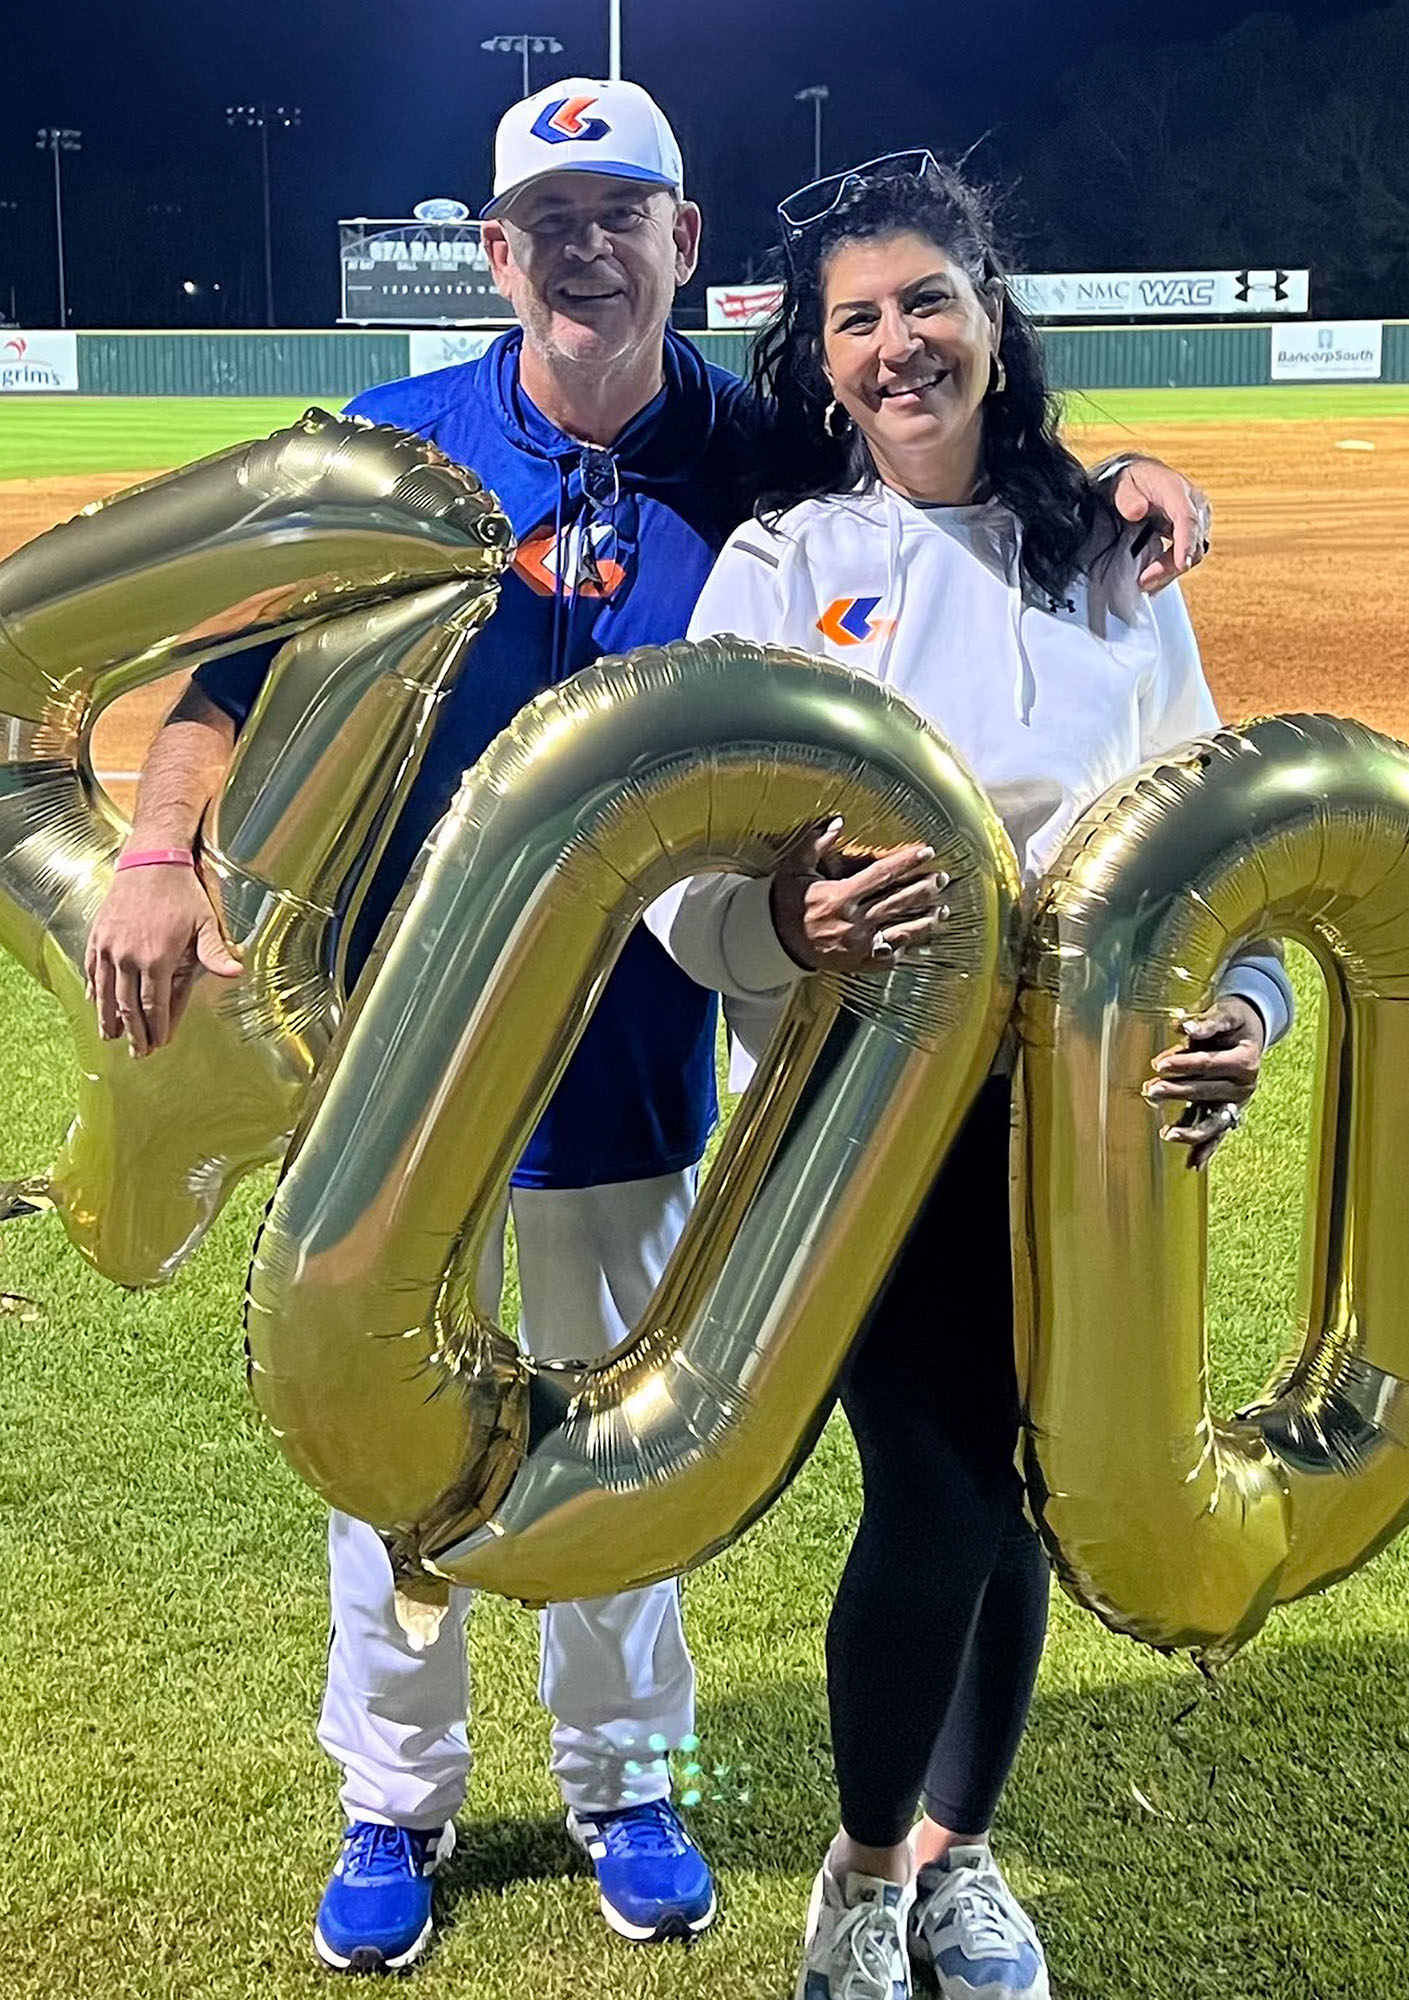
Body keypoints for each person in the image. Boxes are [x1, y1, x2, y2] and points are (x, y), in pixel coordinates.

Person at [82, 84, 1218, 1978]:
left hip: (638, 1039)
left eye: (627, 211)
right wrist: (154, 839)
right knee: (391, 1445)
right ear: (496, 249)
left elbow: (944, 445)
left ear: (685, 245)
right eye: (550, 215)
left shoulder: (760, 455)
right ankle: (396, 1795)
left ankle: (628, 1780)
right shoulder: (395, 448)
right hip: (399, 1040)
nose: (585, 243)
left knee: (620, 1425)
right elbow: (227, 656)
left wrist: (1117, 480)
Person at [647, 150, 1294, 2000]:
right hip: (859, 1124)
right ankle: (861, 1875)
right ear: (820, 360)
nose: (895, 342)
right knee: (937, 1493)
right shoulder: (777, 565)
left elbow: (1214, 833)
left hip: (1074, 1134)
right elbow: (686, 878)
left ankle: (960, 1855)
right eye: (857, 318)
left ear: (994, 323)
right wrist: (786, 921)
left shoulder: (1109, 559)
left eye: (927, 300)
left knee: (1017, 1488)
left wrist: (1243, 1005)